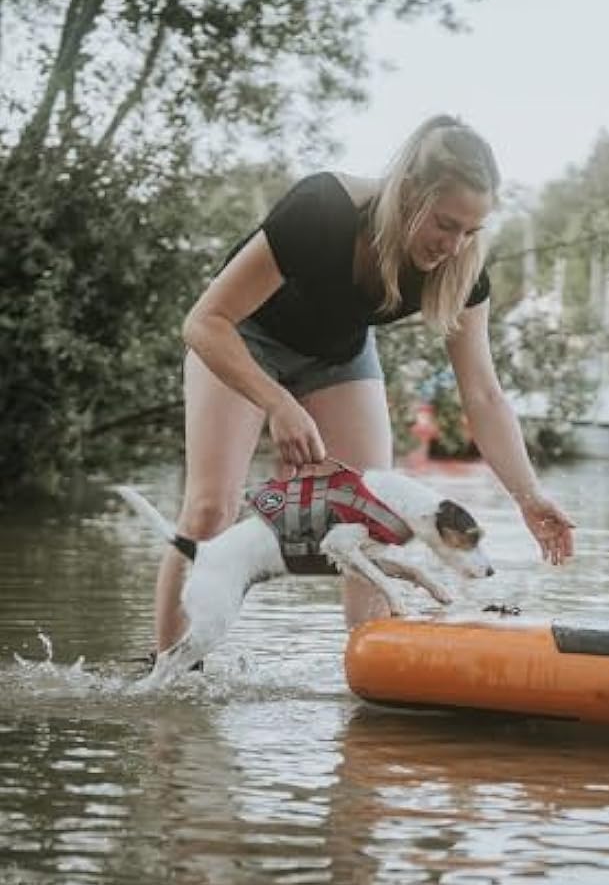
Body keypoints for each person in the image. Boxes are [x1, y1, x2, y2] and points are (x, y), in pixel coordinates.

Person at [153, 115, 574, 651]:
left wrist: (528, 495)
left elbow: (484, 396)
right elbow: (203, 322)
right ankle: (167, 676)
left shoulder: (461, 265)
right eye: (444, 223)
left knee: (373, 518)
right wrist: (278, 402)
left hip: (340, 355)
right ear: (409, 193)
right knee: (211, 507)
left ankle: (370, 677)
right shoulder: (323, 210)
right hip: (242, 335)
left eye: (470, 230)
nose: (454, 244)